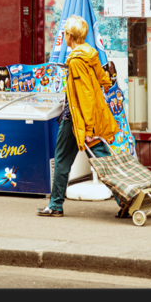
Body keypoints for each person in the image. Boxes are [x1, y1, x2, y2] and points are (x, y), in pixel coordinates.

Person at [38, 16, 122, 217]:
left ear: (69, 36)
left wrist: (88, 129)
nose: (64, 35)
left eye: (65, 32)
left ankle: (56, 205)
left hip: (76, 120)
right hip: (88, 117)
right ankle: (125, 199)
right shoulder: (90, 54)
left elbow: (84, 97)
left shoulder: (76, 61)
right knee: (104, 161)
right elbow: (104, 81)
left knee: (62, 161)